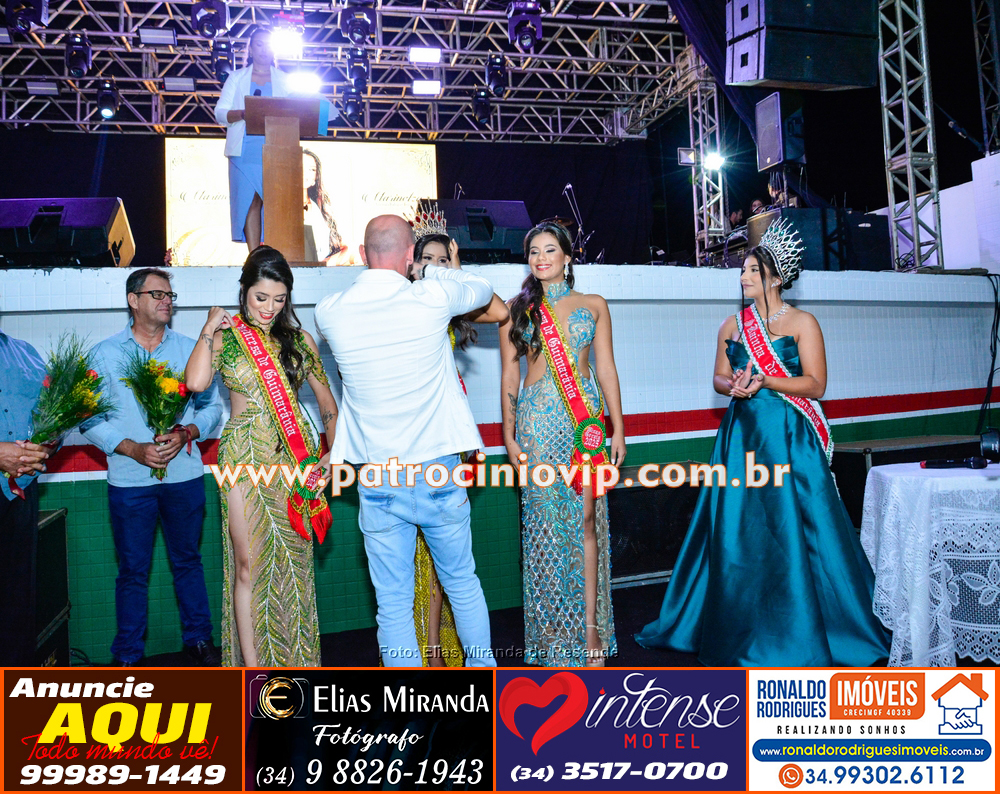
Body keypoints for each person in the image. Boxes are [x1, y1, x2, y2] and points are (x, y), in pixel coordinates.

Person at [635, 219, 890, 667]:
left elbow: (816, 385)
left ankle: (818, 626)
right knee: (739, 529)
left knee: (804, 527)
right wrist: (732, 384)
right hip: (741, 438)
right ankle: (739, 624)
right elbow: (717, 378)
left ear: (775, 276)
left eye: (753, 270)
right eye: (743, 270)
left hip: (789, 437)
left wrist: (765, 380)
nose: (743, 277)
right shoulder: (732, 325)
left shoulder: (803, 322)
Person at [315, 214, 497, 668]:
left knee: (392, 603)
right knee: (462, 584)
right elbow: (482, 289)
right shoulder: (430, 297)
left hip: (378, 475)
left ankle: (407, 702)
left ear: (362, 253)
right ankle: (484, 683)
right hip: (437, 470)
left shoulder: (330, 311)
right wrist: (431, 271)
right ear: (411, 255)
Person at [185, 246, 338, 668]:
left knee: (293, 562)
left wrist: (333, 456)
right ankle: (252, 671)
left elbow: (328, 405)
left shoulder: (300, 341)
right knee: (247, 564)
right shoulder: (226, 338)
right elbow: (195, 382)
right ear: (244, 291)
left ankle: (297, 661)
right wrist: (207, 328)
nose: (269, 308)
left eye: (279, 299)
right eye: (260, 297)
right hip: (243, 457)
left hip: (294, 460)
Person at [498, 222, 626, 667]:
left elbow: (606, 368)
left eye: (549, 249)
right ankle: (552, 632)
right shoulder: (517, 310)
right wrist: (508, 436)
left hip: (582, 424)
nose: (541, 258)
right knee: (544, 528)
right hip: (536, 423)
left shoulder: (594, 305)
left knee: (586, 519)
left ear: (568, 256)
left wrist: (618, 428)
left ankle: (589, 628)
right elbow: (510, 374)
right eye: (533, 251)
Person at [81, 268, 222, 667]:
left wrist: (187, 432)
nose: (166, 301)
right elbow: (87, 418)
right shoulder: (105, 354)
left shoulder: (191, 349)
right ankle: (128, 654)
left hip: (184, 478)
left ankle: (199, 641)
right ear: (133, 300)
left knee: (188, 562)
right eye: (157, 294)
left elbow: (213, 408)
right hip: (129, 482)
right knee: (132, 571)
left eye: (170, 295)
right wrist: (131, 448)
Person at [408, 220, 509, 667]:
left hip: (450, 441)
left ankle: (439, 654)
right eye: (426, 260)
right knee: (419, 562)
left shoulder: (449, 308)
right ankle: (426, 655)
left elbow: (500, 310)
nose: (434, 267)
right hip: (411, 444)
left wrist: (454, 269)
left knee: (444, 564)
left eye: (442, 260)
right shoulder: (402, 303)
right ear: (410, 263)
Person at [0, 327, 52, 666]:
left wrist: (47, 445)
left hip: (19, 496)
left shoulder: (27, 355)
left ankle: (14, 686)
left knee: (18, 603)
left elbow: (50, 419)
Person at [215, 26, 293, 251]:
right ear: (250, 49)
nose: (264, 49)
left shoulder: (284, 79)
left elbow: (295, 111)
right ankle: (254, 256)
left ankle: (274, 251)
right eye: (259, 44)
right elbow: (220, 113)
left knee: (273, 203)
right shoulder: (236, 78)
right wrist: (243, 113)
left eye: (268, 45)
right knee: (251, 200)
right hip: (244, 149)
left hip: (275, 148)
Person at [302, 149, 348, 263]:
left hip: (321, 269)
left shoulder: (321, 208)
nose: (306, 173)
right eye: (301, 167)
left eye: (312, 169)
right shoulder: (281, 208)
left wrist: (326, 264)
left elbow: (343, 247)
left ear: (316, 176)